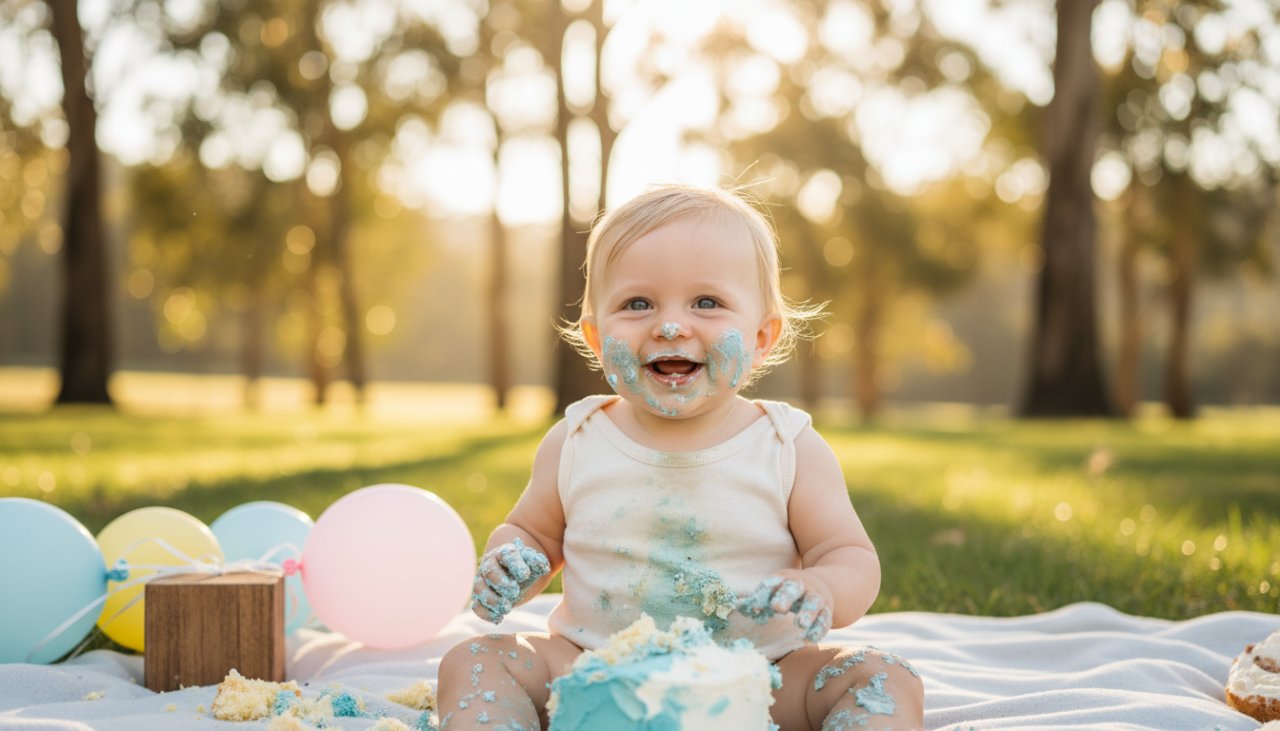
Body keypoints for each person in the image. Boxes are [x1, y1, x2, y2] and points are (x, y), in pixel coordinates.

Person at [436, 184, 924, 730]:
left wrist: (824, 588)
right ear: (596, 336)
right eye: (637, 303)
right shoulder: (577, 440)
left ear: (762, 337)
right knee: (475, 659)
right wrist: (511, 559)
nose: (669, 325)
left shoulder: (787, 446)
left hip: (759, 680)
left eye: (706, 303)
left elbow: (849, 554)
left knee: (881, 675)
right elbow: (533, 533)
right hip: (593, 673)